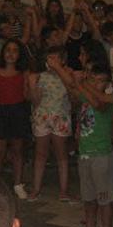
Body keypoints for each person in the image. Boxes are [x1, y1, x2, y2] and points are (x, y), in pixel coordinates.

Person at [49, 58, 113, 227]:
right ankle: (90, 226)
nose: (97, 84)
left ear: (108, 83)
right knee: (88, 195)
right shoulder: (86, 95)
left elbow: (98, 104)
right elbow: (73, 90)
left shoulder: (107, 100)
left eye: (101, 81)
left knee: (105, 198)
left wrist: (77, 82)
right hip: (85, 153)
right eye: (93, 79)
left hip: (101, 155)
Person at [0, 39, 32, 199]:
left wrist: (30, 87)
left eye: (15, 50)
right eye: (8, 50)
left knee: (17, 150)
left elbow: (27, 96)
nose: (11, 53)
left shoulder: (23, 73)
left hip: (18, 111)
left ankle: (18, 184)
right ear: (3, 53)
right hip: (0, 111)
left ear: (19, 54)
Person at [27, 46, 72, 202]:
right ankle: (36, 188)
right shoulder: (41, 76)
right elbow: (35, 101)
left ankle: (64, 191)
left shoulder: (69, 74)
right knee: (40, 154)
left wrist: (59, 69)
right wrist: (32, 86)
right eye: (49, 58)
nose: (51, 62)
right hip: (43, 117)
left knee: (61, 154)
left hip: (60, 117)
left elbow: (72, 87)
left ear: (63, 59)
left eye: (55, 58)